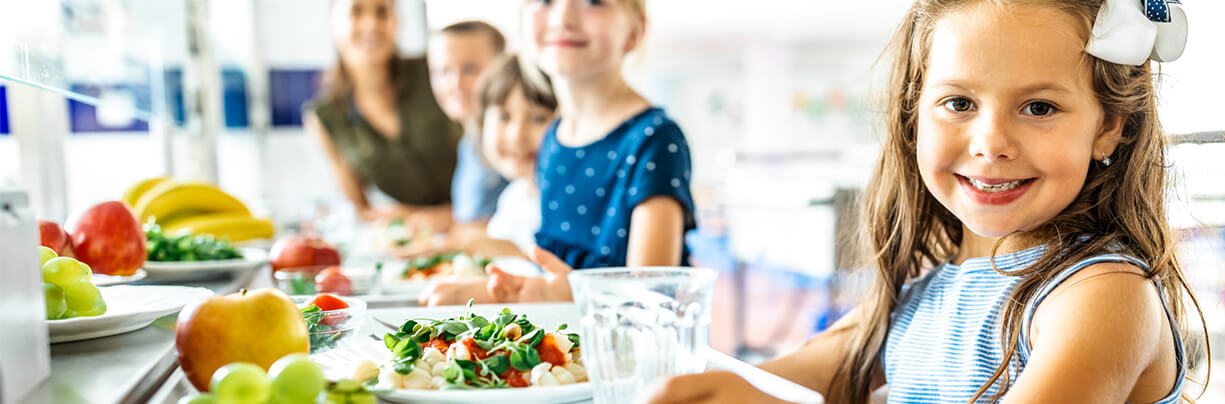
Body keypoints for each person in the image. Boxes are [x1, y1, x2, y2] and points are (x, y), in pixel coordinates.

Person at [645, 1, 1206, 403]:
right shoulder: (919, 296)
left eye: (1038, 108)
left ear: (1109, 127)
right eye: (959, 102)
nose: (991, 144)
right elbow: (760, 383)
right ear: (915, 115)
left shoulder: (1102, 294)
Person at [481, 0, 696, 304]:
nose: (563, 18)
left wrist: (564, 295)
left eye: (594, 2)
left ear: (635, 30)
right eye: (544, 1)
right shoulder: (553, 138)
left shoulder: (654, 139)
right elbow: (550, 271)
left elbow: (649, 300)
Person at [417, 54, 558, 306]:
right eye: (504, 117)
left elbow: (554, 283)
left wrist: (501, 249)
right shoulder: (515, 196)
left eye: (538, 118)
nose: (517, 135)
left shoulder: (560, 202)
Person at [305, 0, 461, 223]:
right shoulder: (325, 118)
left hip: (486, 223)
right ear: (331, 22)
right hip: (420, 241)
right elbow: (362, 211)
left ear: (397, 21)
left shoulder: (436, 72)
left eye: (381, 12)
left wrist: (436, 217)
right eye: (356, 12)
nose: (371, 24)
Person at [428, 21, 513, 234]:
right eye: (443, 71)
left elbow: (524, 224)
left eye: (470, 69)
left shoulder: (513, 141)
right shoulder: (470, 140)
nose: (455, 84)